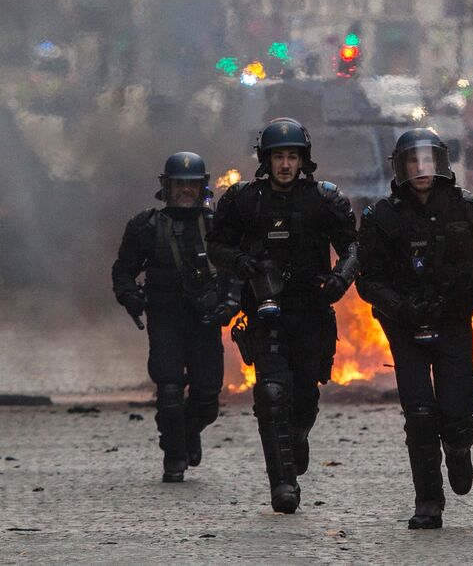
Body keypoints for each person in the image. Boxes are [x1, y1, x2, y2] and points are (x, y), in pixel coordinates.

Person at [356, 128, 473, 529]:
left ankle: (459, 449)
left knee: (456, 416)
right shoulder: (382, 217)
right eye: (413, 161)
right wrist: (399, 306)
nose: (421, 169)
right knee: (420, 414)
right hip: (404, 327)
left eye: (428, 160)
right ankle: (427, 500)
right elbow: (368, 279)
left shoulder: (467, 212)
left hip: (453, 322)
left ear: (440, 164)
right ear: (401, 167)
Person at [207, 117, 360, 514]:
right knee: (272, 393)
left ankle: (298, 435)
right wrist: (242, 263)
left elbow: (354, 247)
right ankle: (283, 485)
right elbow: (217, 247)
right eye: (279, 157)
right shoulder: (244, 199)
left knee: (304, 399)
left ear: (303, 159)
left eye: (293, 156)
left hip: (311, 310)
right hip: (265, 310)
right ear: (266, 160)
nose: (286, 165)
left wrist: (340, 280)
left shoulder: (324, 199)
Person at [111, 152, 239, 483]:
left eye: (191, 185)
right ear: (166, 188)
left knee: (208, 399)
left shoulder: (217, 227)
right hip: (165, 318)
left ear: (203, 188)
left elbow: (236, 270)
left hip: (204, 322)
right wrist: (130, 296)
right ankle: (175, 455)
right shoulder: (146, 227)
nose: (185, 191)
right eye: (179, 185)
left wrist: (230, 302)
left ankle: (184, 432)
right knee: (168, 389)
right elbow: (123, 271)